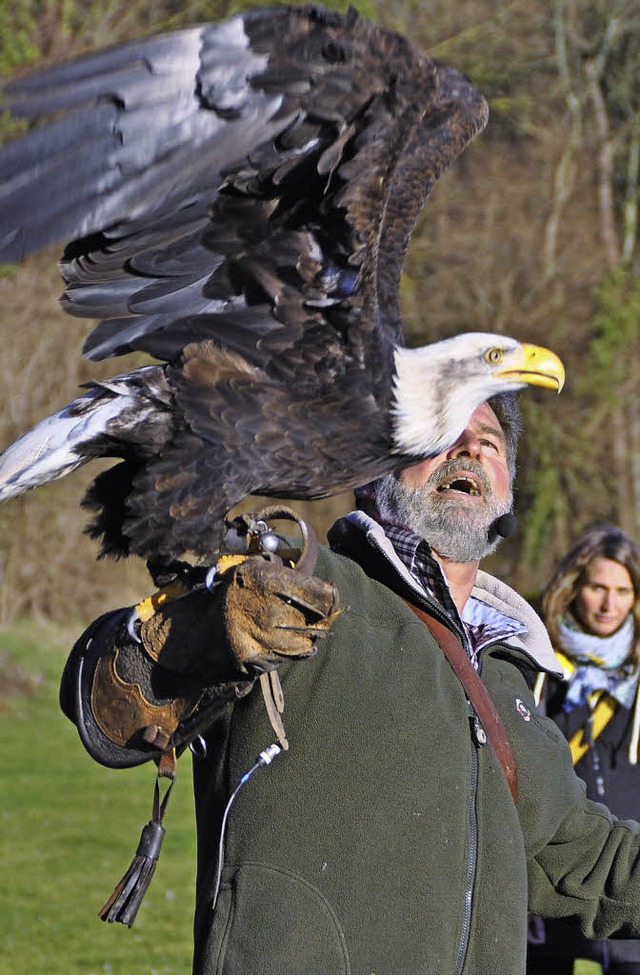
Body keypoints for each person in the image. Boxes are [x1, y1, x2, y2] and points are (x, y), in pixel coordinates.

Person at [59, 394, 640, 975]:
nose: (469, 448)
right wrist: (182, 637)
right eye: (440, 432)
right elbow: (104, 705)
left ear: (508, 487)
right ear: (376, 466)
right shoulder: (302, 582)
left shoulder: (509, 678)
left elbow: (592, 866)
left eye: (490, 442)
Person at [527, 526, 640, 975]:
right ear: (573, 587)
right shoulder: (536, 663)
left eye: (623, 591)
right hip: (554, 883)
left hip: (628, 879)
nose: (610, 605)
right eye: (597, 587)